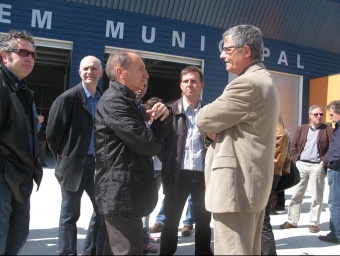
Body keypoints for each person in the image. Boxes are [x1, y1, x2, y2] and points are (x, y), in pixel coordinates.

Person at [195, 24, 280, 255]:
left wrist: (216, 128)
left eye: (227, 49)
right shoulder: (264, 81)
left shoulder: (247, 84)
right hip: (248, 187)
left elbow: (203, 118)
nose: (222, 54)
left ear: (246, 51)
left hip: (236, 189)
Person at [94, 49, 172, 255]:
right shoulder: (115, 101)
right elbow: (148, 145)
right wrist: (162, 122)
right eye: (141, 69)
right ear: (121, 72)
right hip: (122, 197)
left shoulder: (127, 102)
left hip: (125, 195)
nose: (146, 75)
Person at [46, 56, 103, 255]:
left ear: (101, 73)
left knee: (102, 210)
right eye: (86, 68)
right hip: (73, 166)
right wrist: (64, 157)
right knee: (69, 215)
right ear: (79, 73)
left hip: (97, 166)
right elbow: (53, 135)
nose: (90, 72)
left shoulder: (104, 101)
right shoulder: (68, 99)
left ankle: (90, 251)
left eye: (94, 68)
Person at [159, 65, 212, 255]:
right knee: (171, 223)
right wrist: (169, 162)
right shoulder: (169, 111)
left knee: (204, 223)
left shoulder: (210, 112)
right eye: (186, 81)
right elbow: (159, 144)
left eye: (194, 81)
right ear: (181, 85)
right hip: (177, 174)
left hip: (203, 176)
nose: (190, 84)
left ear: (202, 85)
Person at [0, 30, 43, 255]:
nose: (29, 58)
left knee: (16, 240)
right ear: (4, 56)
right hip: (4, 179)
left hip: (21, 178)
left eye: (33, 55)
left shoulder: (23, 90)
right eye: (23, 52)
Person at [280, 105, 333, 233]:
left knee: (316, 196)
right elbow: (294, 145)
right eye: (316, 114)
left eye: (321, 114)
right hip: (302, 165)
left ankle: (314, 223)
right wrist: (296, 159)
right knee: (297, 194)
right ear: (310, 115)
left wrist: (323, 162)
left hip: (317, 166)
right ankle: (292, 220)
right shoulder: (301, 129)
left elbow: (332, 148)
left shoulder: (328, 130)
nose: (319, 116)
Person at [261, 116, 290, 255]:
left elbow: (282, 136)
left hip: (268, 172)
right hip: (269, 171)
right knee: (260, 219)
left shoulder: (269, 106)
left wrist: (271, 166)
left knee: (262, 219)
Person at [319, 100, 340, 244]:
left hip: (336, 170)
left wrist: (329, 163)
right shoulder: (337, 128)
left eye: (332, 115)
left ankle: (336, 234)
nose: (330, 118)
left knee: (334, 203)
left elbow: (337, 152)